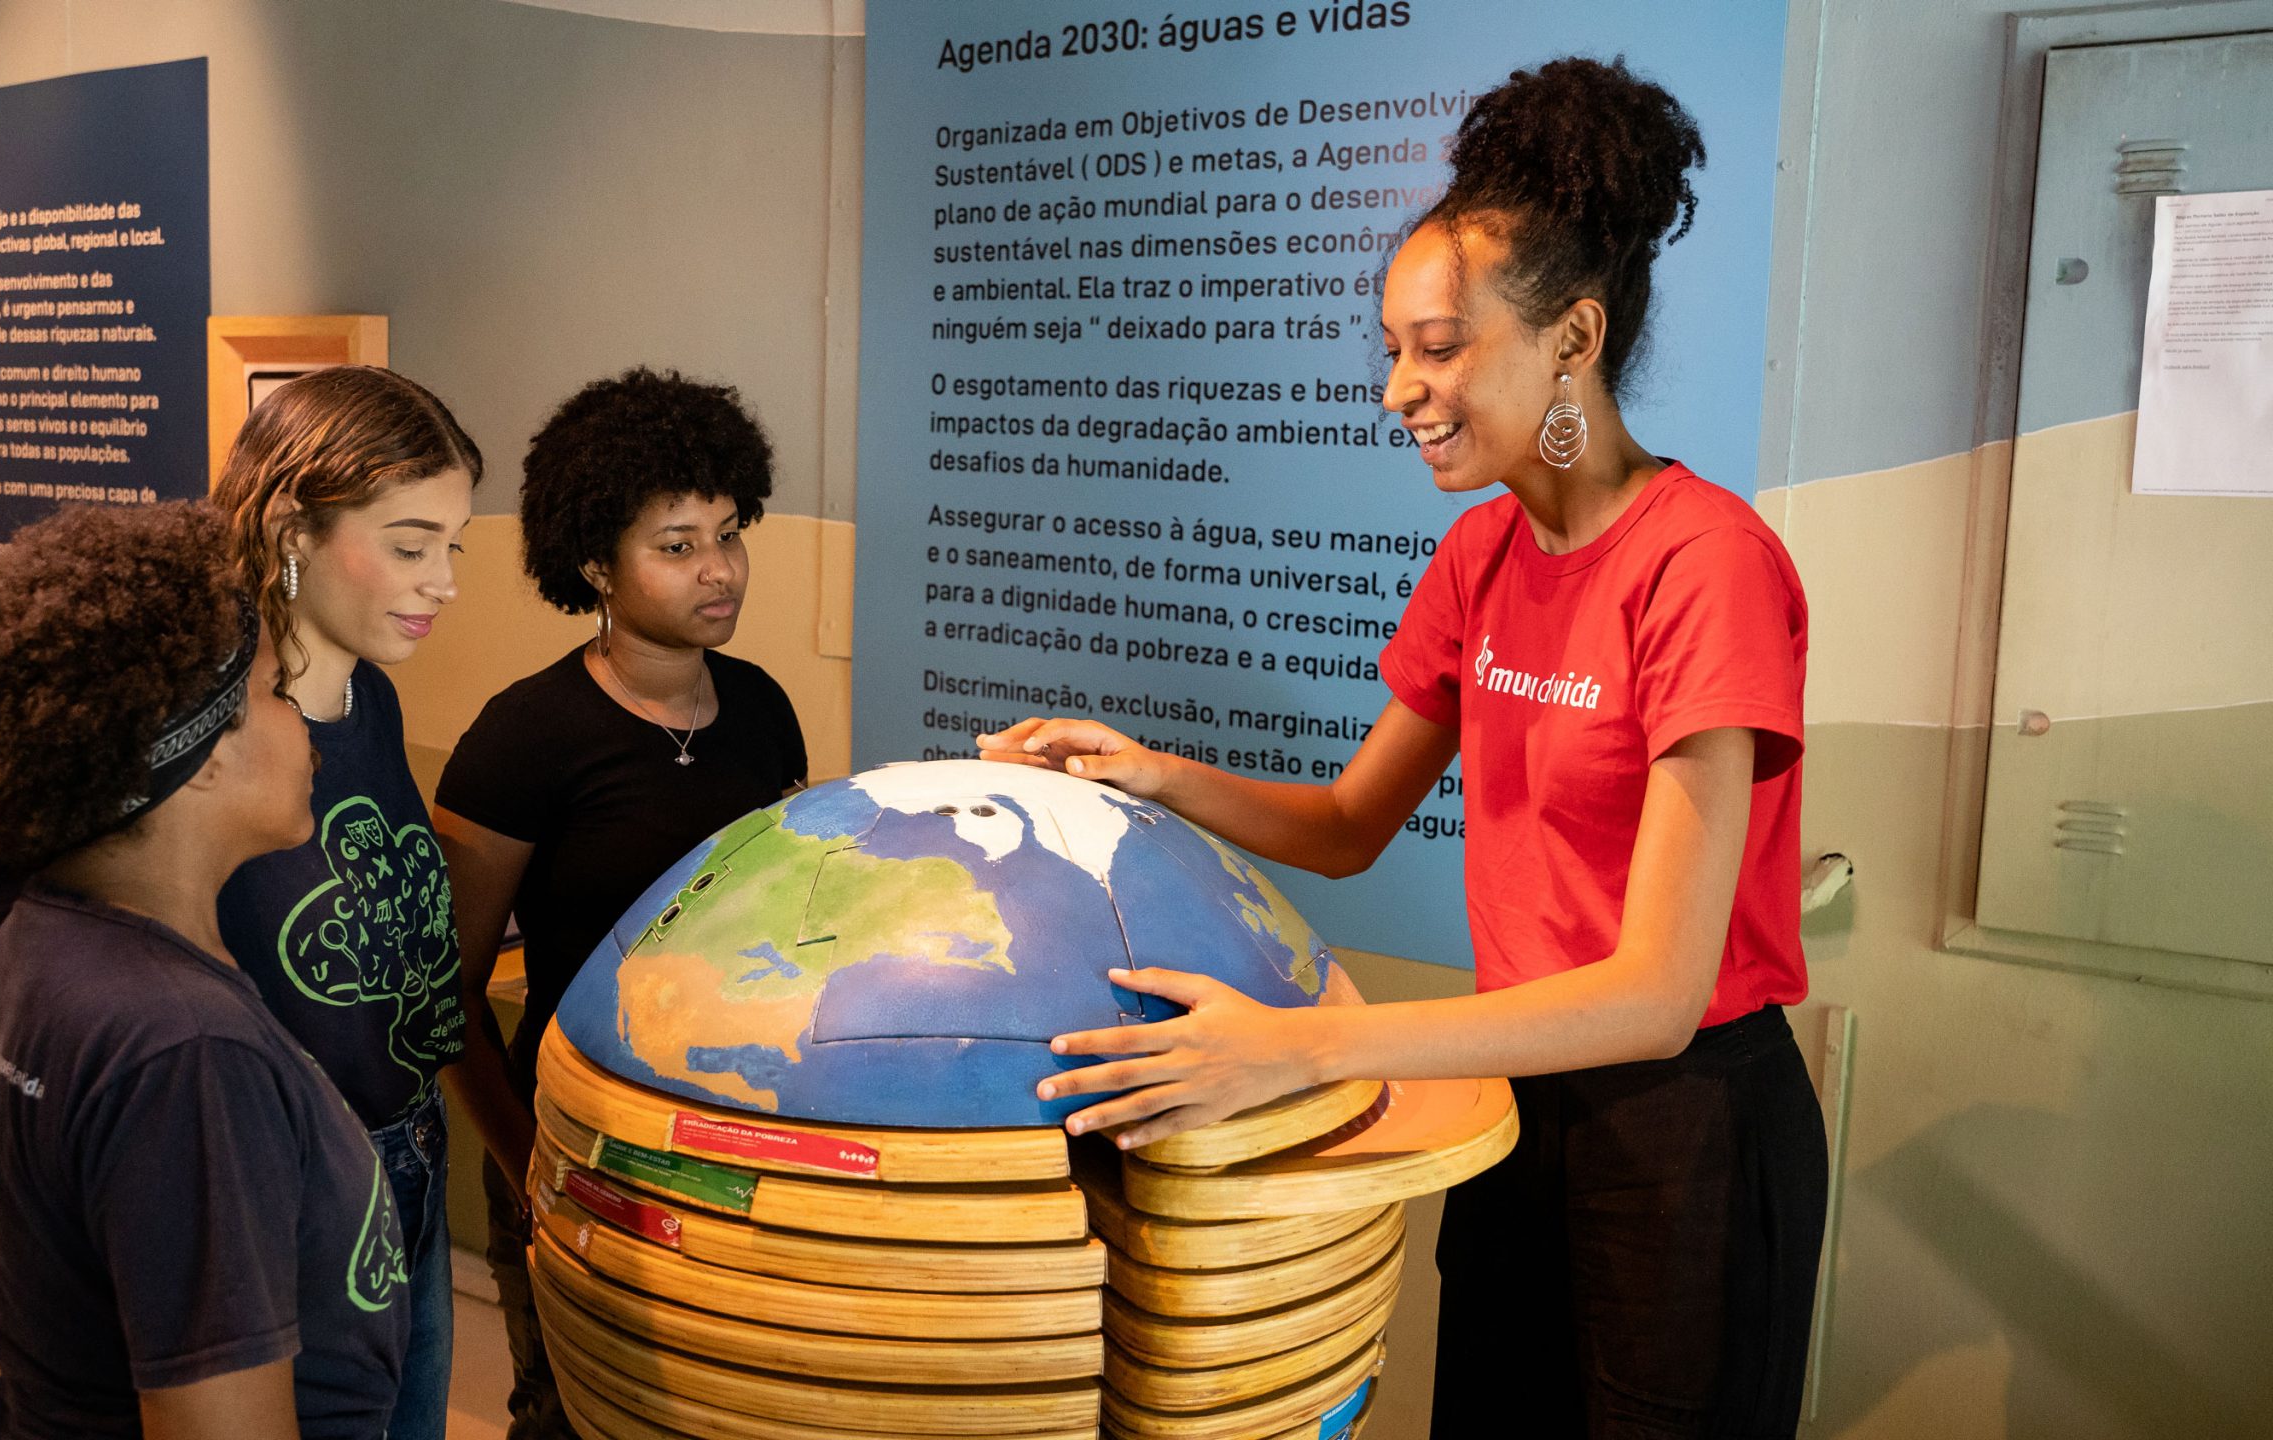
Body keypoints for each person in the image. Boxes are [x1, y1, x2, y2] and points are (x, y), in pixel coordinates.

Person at [980, 57, 1827, 1439]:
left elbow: (1658, 993)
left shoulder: (1703, 563)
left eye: (1440, 347)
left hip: (1684, 1132)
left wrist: (1313, 1049)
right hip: (1516, 1099)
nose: (1398, 390)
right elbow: (1349, 823)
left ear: (1572, 339)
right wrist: (1147, 772)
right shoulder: (1481, 554)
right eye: (1392, 348)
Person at [0, 366, 481, 1440]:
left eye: (453, 547)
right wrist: (141, 1123)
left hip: (399, 1167)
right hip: (266, 1197)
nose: (445, 583)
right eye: (411, 545)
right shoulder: (187, 725)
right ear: (294, 529)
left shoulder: (366, 696)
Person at [0, 501, 406, 1438]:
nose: (301, 722)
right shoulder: (188, 1053)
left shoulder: (45, 937)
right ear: (201, 755)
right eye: (272, 693)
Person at [433, 367, 806, 1440]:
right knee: (571, 1411)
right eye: (677, 545)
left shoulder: (764, 712)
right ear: (596, 563)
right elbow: (445, 991)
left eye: (729, 534)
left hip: (727, 1140)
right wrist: (525, 1163)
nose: (719, 571)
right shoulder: (524, 737)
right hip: (576, 1137)